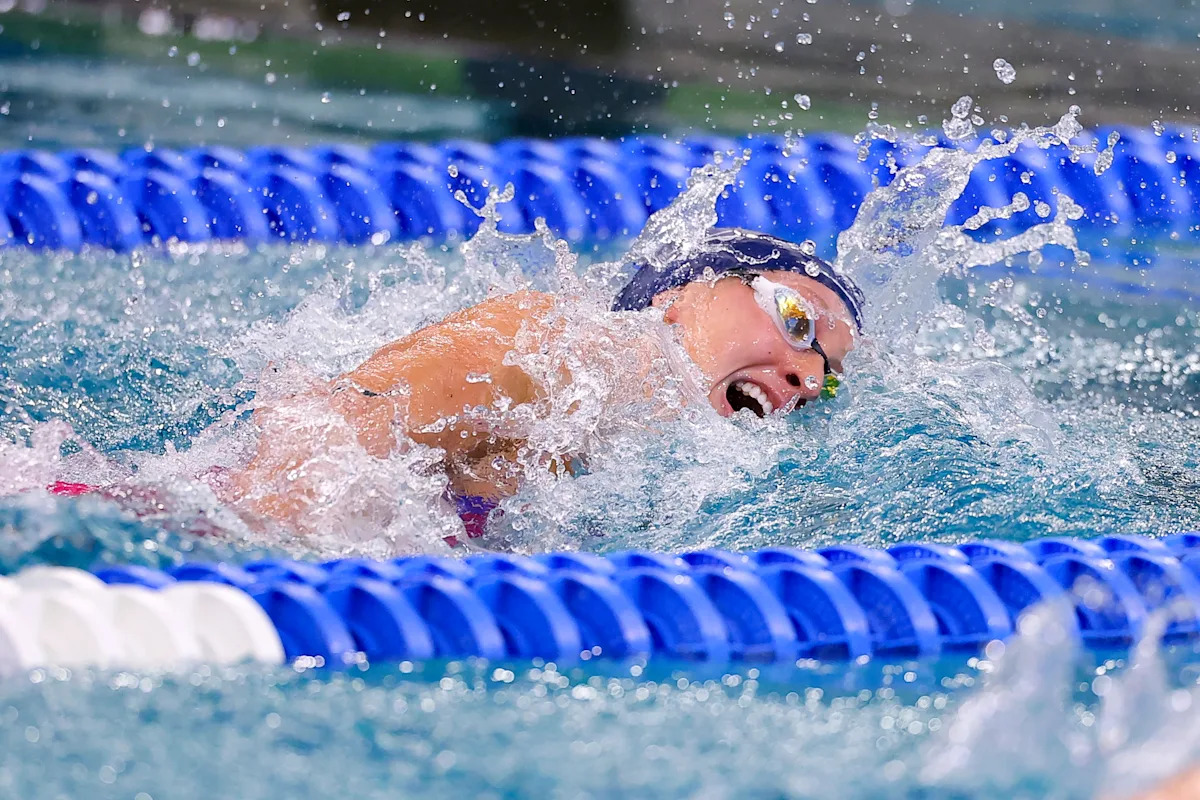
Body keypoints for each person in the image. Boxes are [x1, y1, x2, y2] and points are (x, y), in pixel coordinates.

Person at [220, 227, 865, 541]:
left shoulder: (641, 452)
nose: (808, 376)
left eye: (827, 379)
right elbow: (324, 429)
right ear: (680, 294)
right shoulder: (560, 347)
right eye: (796, 319)